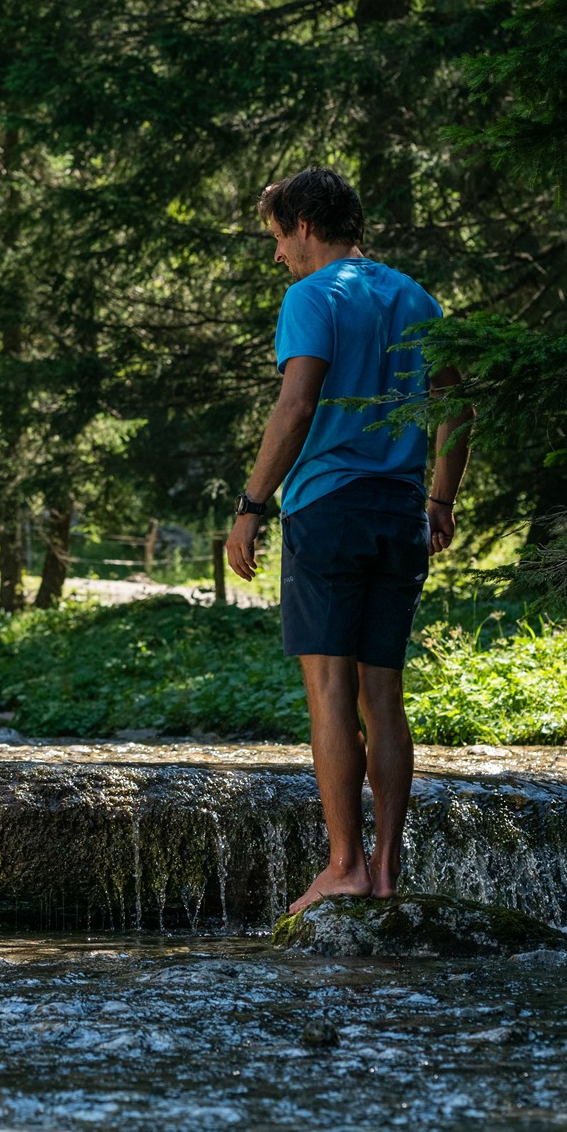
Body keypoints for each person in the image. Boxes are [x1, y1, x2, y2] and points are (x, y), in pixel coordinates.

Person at [227, 167, 473, 916]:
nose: (278, 255)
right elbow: (458, 407)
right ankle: (388, 870)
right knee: (384, 695)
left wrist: (251, 506)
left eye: (278, 237)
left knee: (332, 692)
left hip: (328, 511)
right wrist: (439, 500)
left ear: (305, 224)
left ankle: (344, 867)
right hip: (400, 514)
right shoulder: (417, 298)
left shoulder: (312, 297)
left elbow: (297, 405)